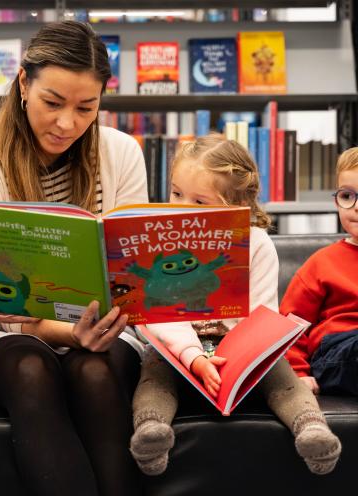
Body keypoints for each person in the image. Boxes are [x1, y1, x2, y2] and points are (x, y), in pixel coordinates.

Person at [0, 21, 148, 496]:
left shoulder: (122, 153)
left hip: (111, 335)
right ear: (24, 84)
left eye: (86, 107)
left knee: (92, 369)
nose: (67, 123)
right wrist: (67, 333)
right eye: (53, 102)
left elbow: (133, 276)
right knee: (30, 367)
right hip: (13, 336)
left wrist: (103, 326)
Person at [130, 133, 342, 477]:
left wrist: (236, 358)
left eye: (200, 201)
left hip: (236, 351)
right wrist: (193, 356)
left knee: (281, 373)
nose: (183, 207)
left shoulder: (256, 244)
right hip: (179, 351)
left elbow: (261, 316)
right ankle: (151, 432)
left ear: (236, 205)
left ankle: (311, 428)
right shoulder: (161, 242)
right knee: (154, 371)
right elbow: (158, 316)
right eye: (176, 193)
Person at [281, 147, 358, 396]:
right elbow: (291, 324)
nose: (355, 207)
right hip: (336, 350)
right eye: (347, 196)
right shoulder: (322, 263)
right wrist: (297, 371)